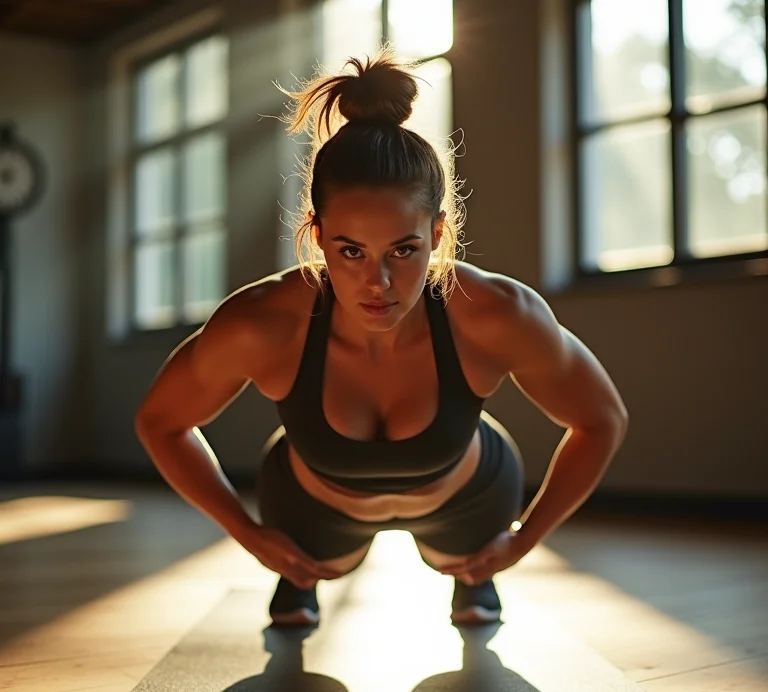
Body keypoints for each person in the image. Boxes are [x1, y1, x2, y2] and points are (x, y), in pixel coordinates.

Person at [135, 46, 628, 628]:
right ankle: (297, 579)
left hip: (466, 498)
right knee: (316, 570)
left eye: (403, 249)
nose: (379, 282)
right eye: (350, 251)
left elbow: (602, 420)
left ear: (438, 232)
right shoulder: (262, 322)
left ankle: (477, 577)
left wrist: (523, 541)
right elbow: (161, 422)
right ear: (316, 235)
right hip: (312, 503)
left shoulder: (496, 311)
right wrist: (247, 534)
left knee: (466, 568)